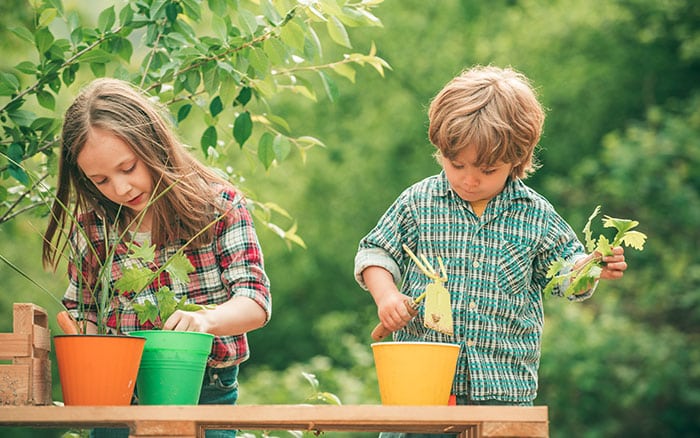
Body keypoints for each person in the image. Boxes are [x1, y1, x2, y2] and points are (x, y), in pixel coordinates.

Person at [354, 65, 628, 425]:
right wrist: (386, 296)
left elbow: (564, 273)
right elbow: (376, 251)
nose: (469, 180)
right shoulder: (418, 202)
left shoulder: (535, 214)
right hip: (422, 388)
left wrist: (591, 267)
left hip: (504, 391)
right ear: (441, 150)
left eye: (486, 171)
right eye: (457, 165)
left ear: (516, 160)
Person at [43, 78, 271, 438]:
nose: (121, 189)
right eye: (100, 180)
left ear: (154, 145)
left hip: (205, 393)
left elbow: (255, 302)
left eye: (128, 168)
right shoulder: (94, 227)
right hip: (117, 400)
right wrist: (89, 356)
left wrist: (207, 320)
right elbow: (83, 310)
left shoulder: (218, 207)